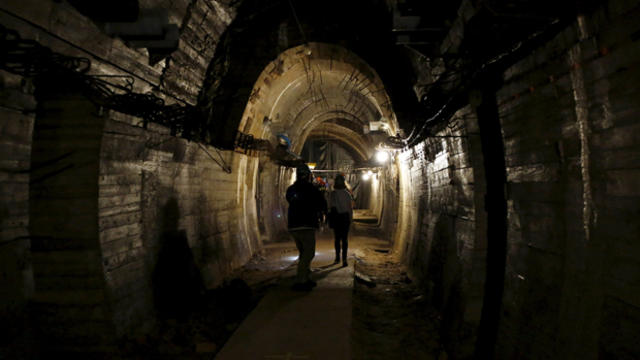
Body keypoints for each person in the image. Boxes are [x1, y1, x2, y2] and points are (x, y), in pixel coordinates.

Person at [286, 164, 327, 291]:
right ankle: (301, 281)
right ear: (308, 176)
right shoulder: (313, 189)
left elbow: (289, 200)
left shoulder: (291, 189)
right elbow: (322, 204)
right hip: (307, 225)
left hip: (293, 226)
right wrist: (322, 216)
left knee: (303, 252)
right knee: (309, 253)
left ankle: (306, 274)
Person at [330, 174, 353, 267]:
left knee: (337, 238)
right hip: (345, 218)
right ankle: (344, 260)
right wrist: (351, 219)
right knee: (344, 239)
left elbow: (330, 206)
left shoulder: (333, 194)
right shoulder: (347, 194)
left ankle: (337, 258)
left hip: (336, 217)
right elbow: (349, 208)